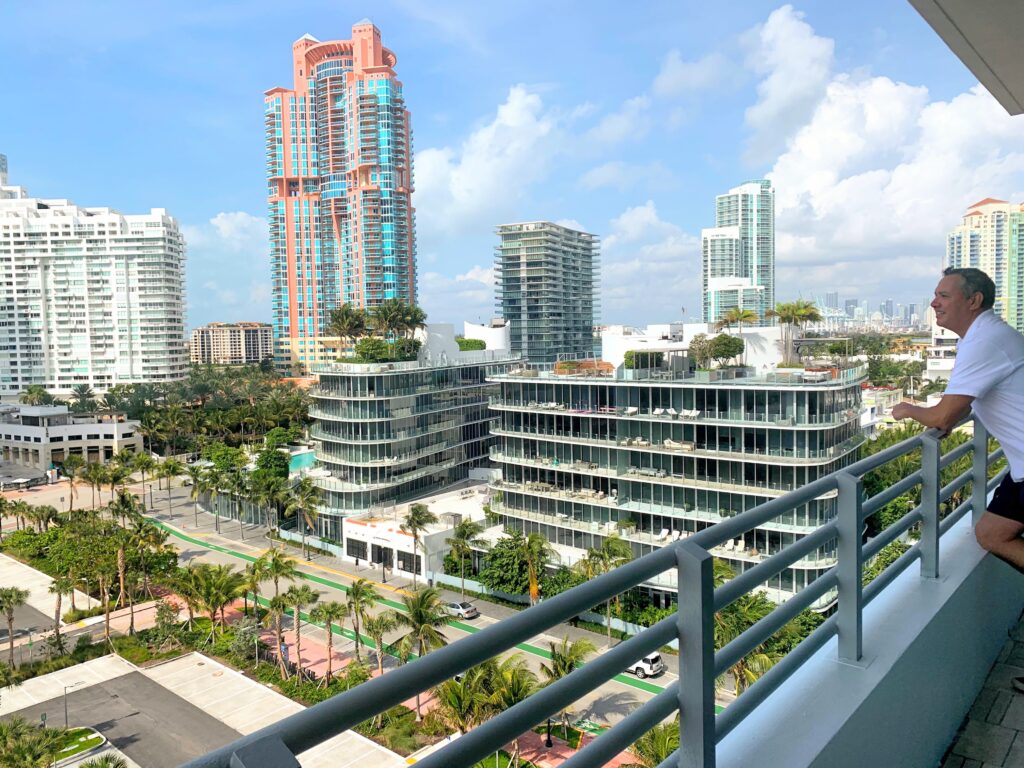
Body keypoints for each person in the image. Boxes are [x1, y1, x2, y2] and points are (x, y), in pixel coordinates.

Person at [892, 267, 1024, 576]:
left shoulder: (984, 341)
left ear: (974, 300)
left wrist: (908, 409)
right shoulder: (981, 336)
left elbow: (942, 415)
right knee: (991, 533)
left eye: (944, 295)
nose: (934, 303)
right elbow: (964, 404)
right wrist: (951, 415)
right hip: (1020, 468)